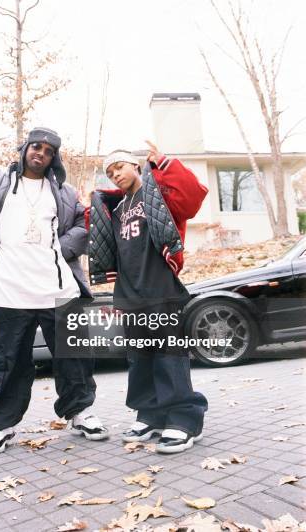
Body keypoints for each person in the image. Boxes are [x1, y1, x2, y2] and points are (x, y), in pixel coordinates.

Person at [0, 127, 108, 457]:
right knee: (8, 361)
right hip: (9, 288)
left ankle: (79, 413)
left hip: (57, 285)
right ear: (25, 149)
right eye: (36, 146)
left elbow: (83, 226)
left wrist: (61, 249)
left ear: (54, 157)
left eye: (49, 150)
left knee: (75, 356)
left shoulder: (63, 193)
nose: (41, 153)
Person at [88, 141, 208, 453]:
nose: (115, 174)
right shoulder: (112, 208)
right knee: (140, 359)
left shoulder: (159, 193)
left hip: (161, 287)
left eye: (120, 166)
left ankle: (184, 419)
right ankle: (150, 414)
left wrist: (166, 163)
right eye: (110, 172)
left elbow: (192, 199)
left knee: (169, 356)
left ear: (136, 166)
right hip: (129, 294)